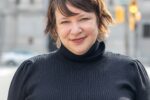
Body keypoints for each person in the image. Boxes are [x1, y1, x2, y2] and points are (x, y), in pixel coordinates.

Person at [8, 0, 150, 100]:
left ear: (99, 20)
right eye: (65, 22)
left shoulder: (131, 70)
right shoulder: (29, 72)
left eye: (83, 19)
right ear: (55, 27)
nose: (75, 30)